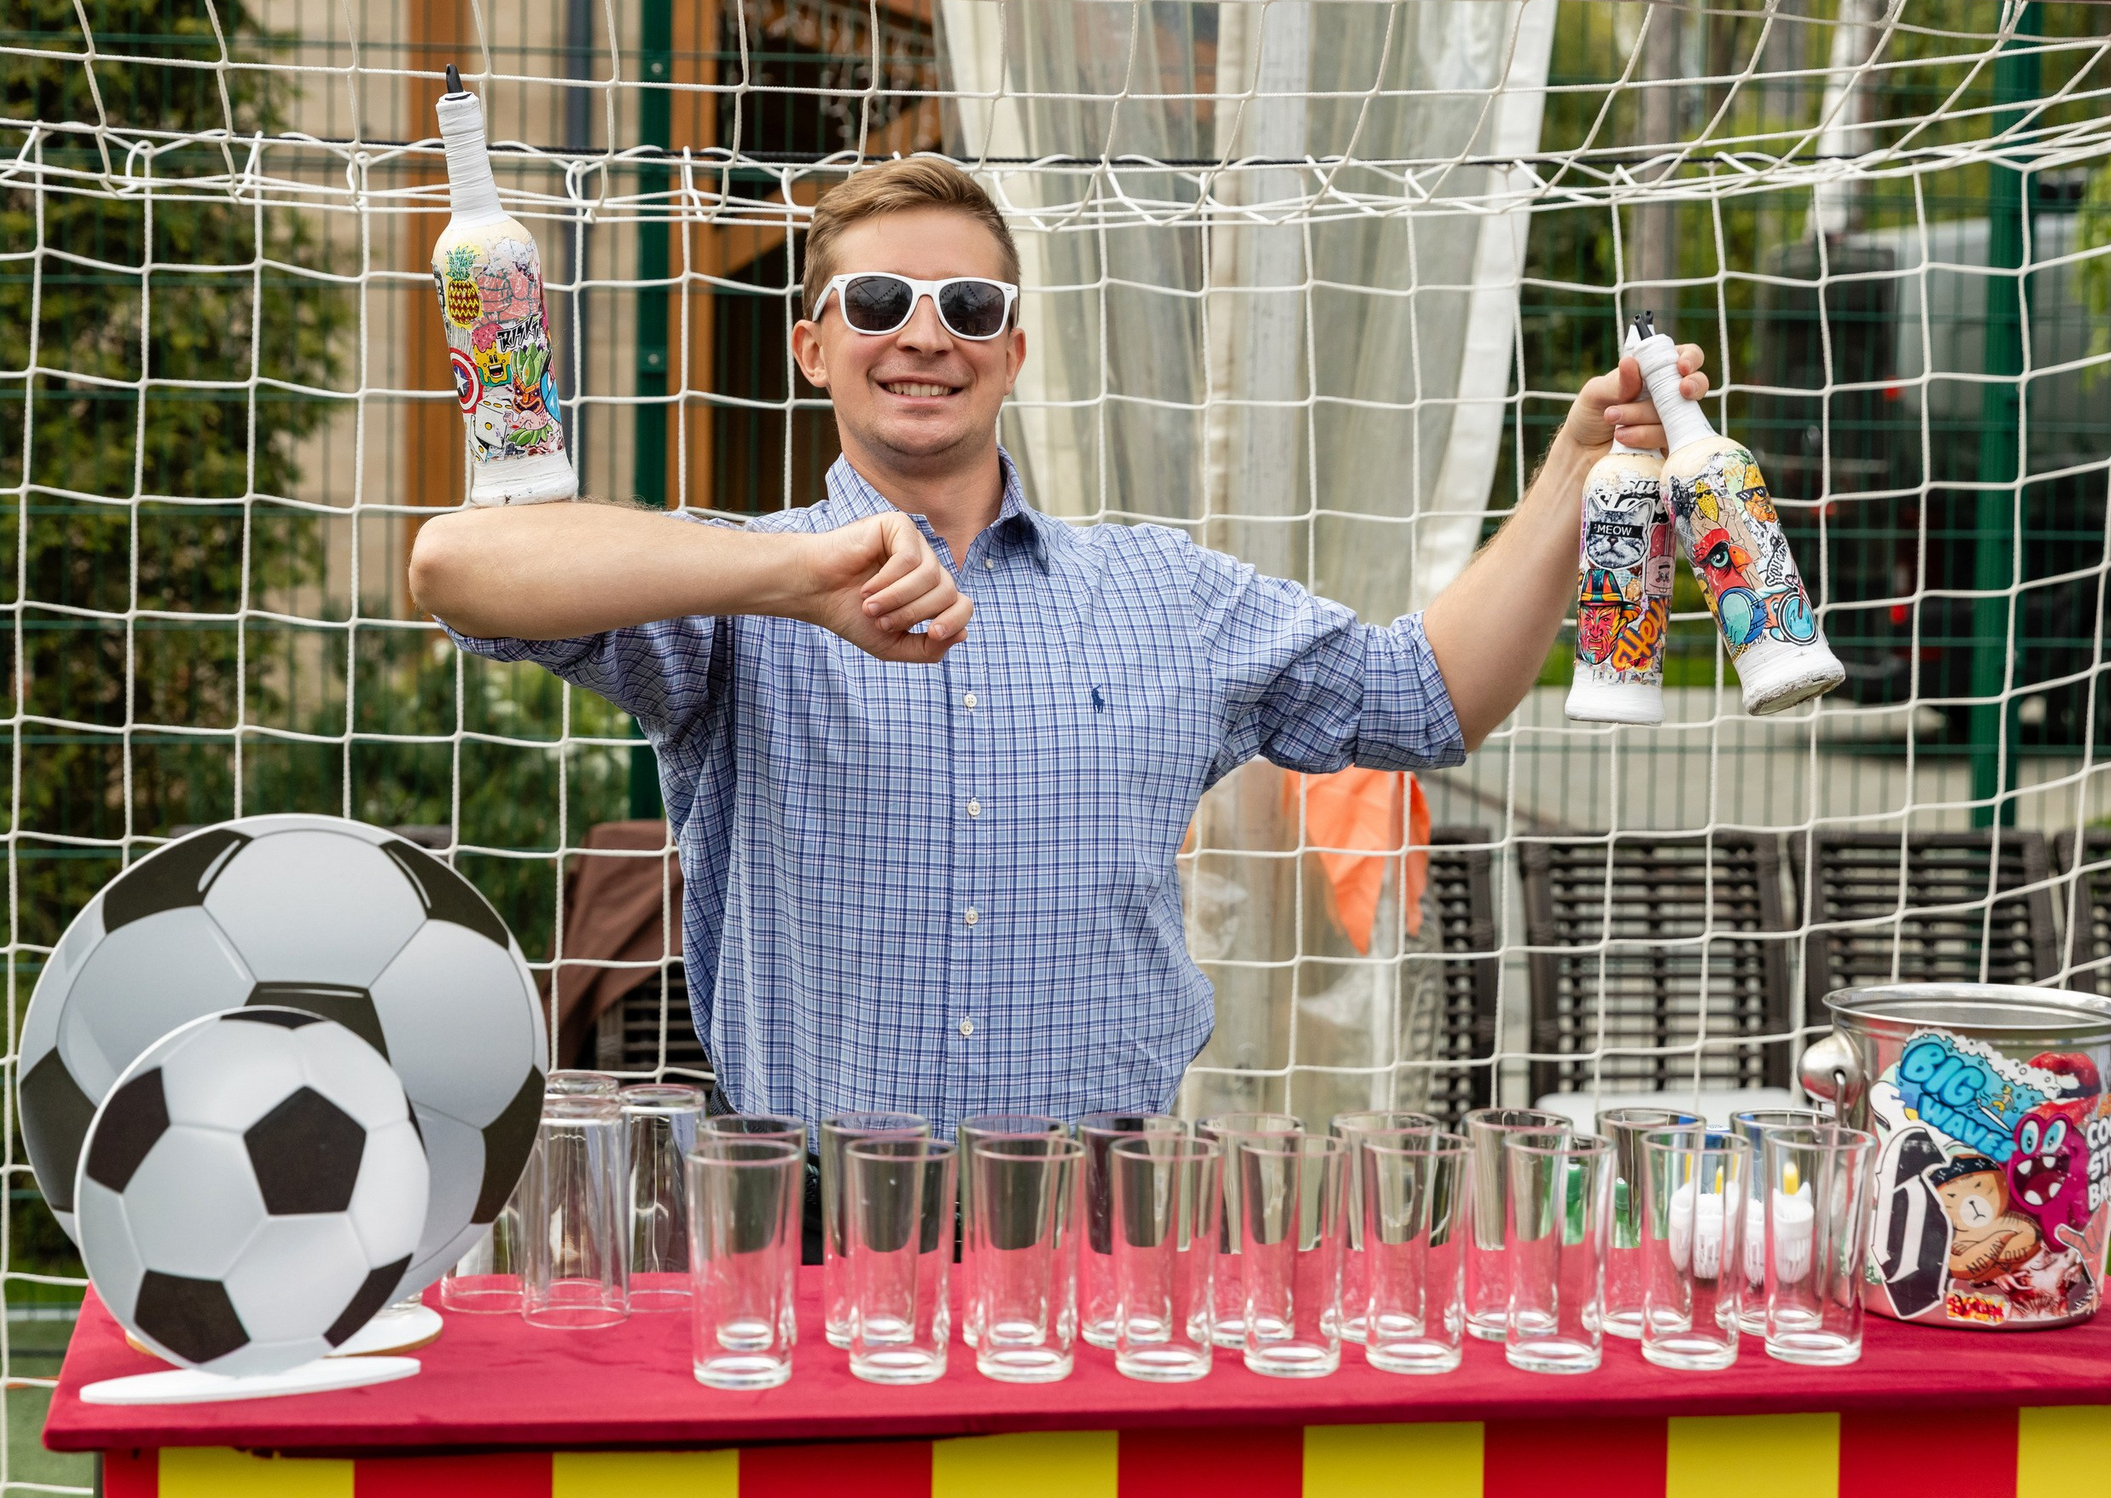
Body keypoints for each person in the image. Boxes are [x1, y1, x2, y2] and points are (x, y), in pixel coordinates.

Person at [410, 156, 1708, 1156]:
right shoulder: (737, 588)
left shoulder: (1166, 592)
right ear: (812, 348)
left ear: (1015, 351)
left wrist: (1573, 468)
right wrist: (799, 577)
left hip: (1111, 1232)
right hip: (820, 1231)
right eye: (879, 302)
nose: (926, 335)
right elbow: (459, 570)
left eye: (969, 305)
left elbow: (1425, 699)